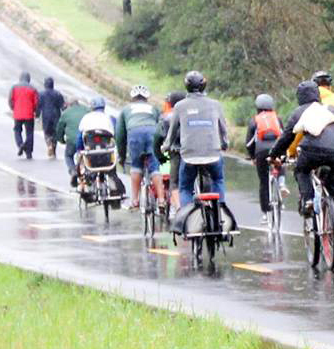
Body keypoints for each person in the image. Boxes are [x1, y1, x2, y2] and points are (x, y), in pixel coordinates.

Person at [271, 79, 334, 238]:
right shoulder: (333, 109)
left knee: (301, 171)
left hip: (311, 152)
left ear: (299, 97)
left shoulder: (299, 112)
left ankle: (308, 200)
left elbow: (287, 137)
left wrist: (274, 155)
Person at [164, 70, 235, 235]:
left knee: (185, 187)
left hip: (189, 157)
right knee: (218, 179)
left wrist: (166, 146)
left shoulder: (180, 106)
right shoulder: (215, 105)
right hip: (213, 155)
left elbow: (172, 132)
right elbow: (223, 130)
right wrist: (224, 144)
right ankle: (220, 215)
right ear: (204, 85)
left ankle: (187, 220)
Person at [115, 85, 161, 209]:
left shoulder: (126, 110)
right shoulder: (154, 109)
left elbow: (120, 135)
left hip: (135, 134)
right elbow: (161, 126)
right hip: (152, 132)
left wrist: (122, 156)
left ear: (132, 98)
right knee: (155, 167)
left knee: (136, 166)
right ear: (147, 98)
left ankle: (135, 200)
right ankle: (161, 200)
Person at [243, 94, 285, 217]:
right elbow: (284, 136)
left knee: (264, 181)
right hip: (277, 148)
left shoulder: (254, 120)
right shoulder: (278, 118)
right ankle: (282, 183)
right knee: (280, 164)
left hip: (261, 152)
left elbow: (249, 143)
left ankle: (266, 213)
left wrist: (253, 157)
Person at [72, 97, 118, 186]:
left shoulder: (86, 118)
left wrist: (79, 150)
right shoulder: (110, 118)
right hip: (106, 152)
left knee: (80, 161)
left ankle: (82, 180)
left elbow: (79, 137)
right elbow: (116, 135)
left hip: (90, 152)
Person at [8, 71, 39, 160]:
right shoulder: (33, 88)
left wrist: (13, 108)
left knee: (17, 130)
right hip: (29, 114)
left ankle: (20, 144)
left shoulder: (14, 88)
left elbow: (10, 100)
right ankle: (28, 152)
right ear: (29, 79)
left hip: (17, 114)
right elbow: (36, 102)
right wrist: (36, 112)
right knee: (29, 132)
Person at [57, 94, 88, 181]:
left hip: (72, 141)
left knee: (68, 155)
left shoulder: (66, 113)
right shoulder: (86, 110)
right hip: (87, 139)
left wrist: (61, 140)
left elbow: (59, 129)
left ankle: (73, 170)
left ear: (69, 104)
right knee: (88, 155)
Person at [37, 78, 65, 159]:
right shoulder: (58, 94)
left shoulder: (41, 94)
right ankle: (53, 149)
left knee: (47, 132)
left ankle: (49, 144)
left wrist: (37, 114)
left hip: (46, 115)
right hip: (56, 115)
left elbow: (38, 105)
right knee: (54, 133)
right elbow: (62, 106)